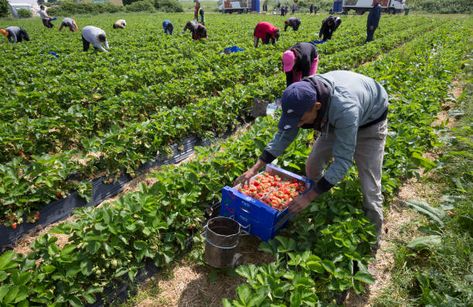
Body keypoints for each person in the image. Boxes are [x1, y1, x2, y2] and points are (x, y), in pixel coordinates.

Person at [235, 70, 389, 249]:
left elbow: (343, 160)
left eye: (300, 119)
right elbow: (284, 136)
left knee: (369, 184)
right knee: (312, 165)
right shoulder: (302, 97)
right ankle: (322, 199)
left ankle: (372, 238)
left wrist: (308, 197)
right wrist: (255, 168)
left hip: (370, 120)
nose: (298, 124)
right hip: (333, 116)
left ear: (316, 106)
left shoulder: (345, 109)